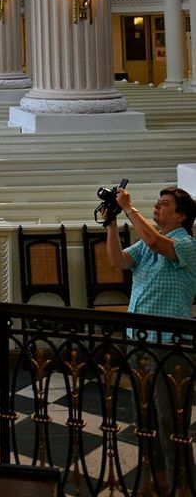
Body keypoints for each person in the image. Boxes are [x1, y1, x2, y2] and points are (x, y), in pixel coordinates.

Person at [107, 186, 196, 489]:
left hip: (170, 345)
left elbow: (157, 242)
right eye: (157, 203)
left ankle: (181, 486)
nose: (158, 207)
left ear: (182, 215)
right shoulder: (147, 243)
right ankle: (154, 483)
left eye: (165, 204)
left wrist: (130, 209)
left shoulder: (186, 245)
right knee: (145, 421)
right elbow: (118, 261)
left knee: (171, 422)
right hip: (139, 342)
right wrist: (110, 224)